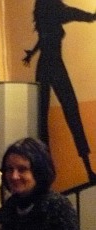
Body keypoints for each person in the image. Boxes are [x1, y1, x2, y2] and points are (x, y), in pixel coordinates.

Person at [23, 0, 96, 183]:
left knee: (45, 118)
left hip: (45, 66)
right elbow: (74, 13)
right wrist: (91, 17)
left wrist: (31, 53)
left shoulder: (44, 15)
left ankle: (52, 172)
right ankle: (87, 169)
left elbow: (43, 39)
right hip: (54, 65)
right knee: (71, 112)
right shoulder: (56, 11)